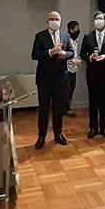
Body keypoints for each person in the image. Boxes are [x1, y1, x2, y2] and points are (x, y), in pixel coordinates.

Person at [31, 10, 74, 149]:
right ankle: (41, 136)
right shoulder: (40, 36)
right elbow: (35, 55)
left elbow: (72, 53)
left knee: (59, 108)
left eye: (57, 19)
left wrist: (64, 54)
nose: (54, 21)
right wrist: (51, 52)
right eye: (52, 19)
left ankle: (58, 134)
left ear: (60, 21)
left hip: (61, 78)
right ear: (47, 21)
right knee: (44, 109)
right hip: (44, 79)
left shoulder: (65, 36)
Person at [79, 11, 105, 139]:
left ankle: (104, 127)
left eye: (101, 19)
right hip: (92, 73)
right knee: (93, 101)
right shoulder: (88, 36)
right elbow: (82, 54)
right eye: (96, 19)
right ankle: (93, 127)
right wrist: (90, 57)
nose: (98, 21)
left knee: (104, 101)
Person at [64, 20, 81, 118]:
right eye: (76, 29)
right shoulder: (65, 39)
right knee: (66, 89)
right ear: (71, 30)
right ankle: (66, 109)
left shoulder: (76, 40)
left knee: (72, 88)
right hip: (66, 68)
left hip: (74, 69)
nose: (78, 31)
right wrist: (73, 60)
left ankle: (66, 107)